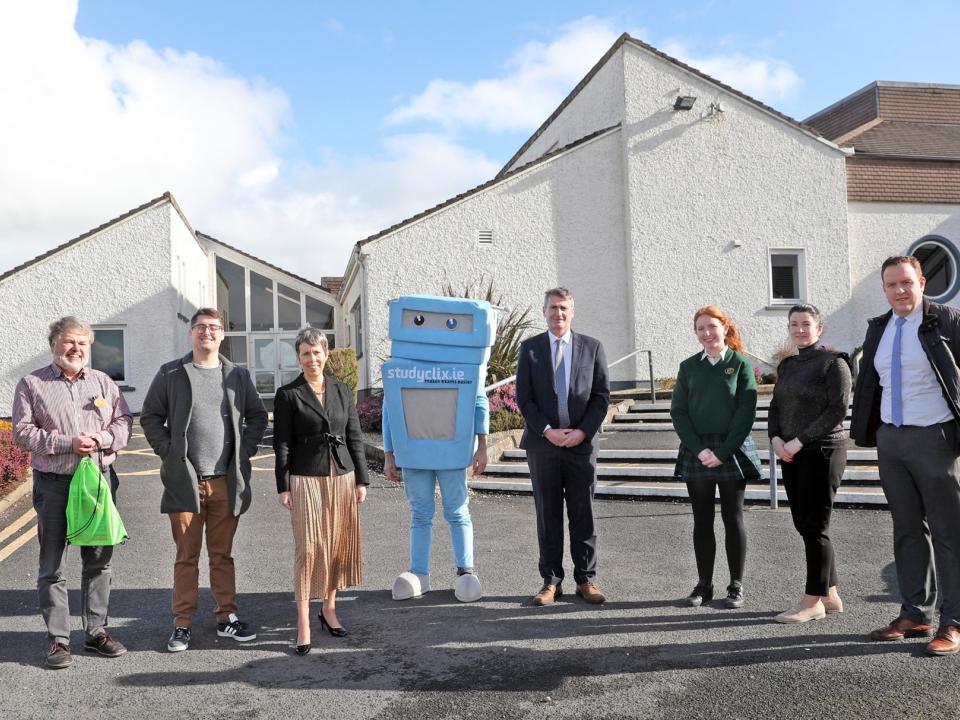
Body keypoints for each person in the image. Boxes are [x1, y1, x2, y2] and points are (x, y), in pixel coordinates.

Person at [141, 308, 268, 653]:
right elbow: (150, 416)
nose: (206, 333)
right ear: (191, 333)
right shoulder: (171, 373)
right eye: (200, 327)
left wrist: (246, 450)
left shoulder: (237, 376)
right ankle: (182, 624)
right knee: (186, 556)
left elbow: (257, 416)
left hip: (226, 480)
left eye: (213, 328)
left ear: (222, 334)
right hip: (186, 482)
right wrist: (170, 453)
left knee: (221, 555)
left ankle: (226, 618)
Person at [851, 255, 960, 655]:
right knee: (908, 529)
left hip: (935, 436)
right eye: (891, 284)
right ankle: (916, 612)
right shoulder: (879, 328)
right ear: (884, 289)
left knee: (950, 533)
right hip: (892, 441)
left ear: (922, 282)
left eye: (906, 282)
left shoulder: (946, 321)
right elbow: (871, 384)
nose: (900, 290)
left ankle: (954, 621)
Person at [12, 317, 133, 669]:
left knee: (98, 560)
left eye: (82, 343)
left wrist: (103, 438)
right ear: (53, 344)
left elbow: (123, 422)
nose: (76, 349)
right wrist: (68, 443)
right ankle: (58, 640)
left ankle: (96, 632)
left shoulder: (102, 382)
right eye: (69, 342)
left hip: (97, 482)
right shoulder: (32, 383)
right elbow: (21, 432)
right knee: (53, 565)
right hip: (54, 484)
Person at [273, 327, 368, 655]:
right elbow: (281, 443)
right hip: (305, 477)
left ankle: (329, 609)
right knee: (309, 548)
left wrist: (362, 479)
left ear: (326, 354)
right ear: (298, 357)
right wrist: (282, 486)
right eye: (305, 353)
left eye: (317, 352)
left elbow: (354, 434)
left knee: (337, 544)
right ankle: (302, 622)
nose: (311, 359)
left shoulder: (342, 390)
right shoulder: (288, 394)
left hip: (342, 475)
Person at [516, 287, 610, 606]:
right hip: (544, 446)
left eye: (564, 308)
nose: (559, 313)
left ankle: (586, 579)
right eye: (553, 308)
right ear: (544, 311)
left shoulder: (592, 348)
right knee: (548, 515)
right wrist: (547, 431)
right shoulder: (530, 349)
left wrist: (583, 432)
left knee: (583, 514)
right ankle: (551, 582)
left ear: (573, 311)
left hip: (581, 446)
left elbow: (601, 397)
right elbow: (524, 398)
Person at [671, 305, 760, 609]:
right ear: (696, 333)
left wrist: (722, 452)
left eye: (712, 327)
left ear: (725, 328)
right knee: (702, 520)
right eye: (701, 329)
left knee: (732, 518)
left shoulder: (740, 365)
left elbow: (746, 412)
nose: (707, 334)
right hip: (698, 450)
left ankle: (735, 585)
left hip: (731, 450)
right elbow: (679, 413)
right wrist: (699, 449)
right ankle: (703, 585)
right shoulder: (687, 367)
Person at [768, 304, 851, 623]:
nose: (799, 329)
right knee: (808, 525)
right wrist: (776, 439)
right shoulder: (788, 365)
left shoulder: (834, 363)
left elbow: (837, 410)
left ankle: (811, 602)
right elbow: (776, 406)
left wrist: (799, 440)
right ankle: (829, 594)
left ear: (820, 328)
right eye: (794, 324)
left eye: (806, 324)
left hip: (823, 451)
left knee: (815, 526)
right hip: (790, 452)